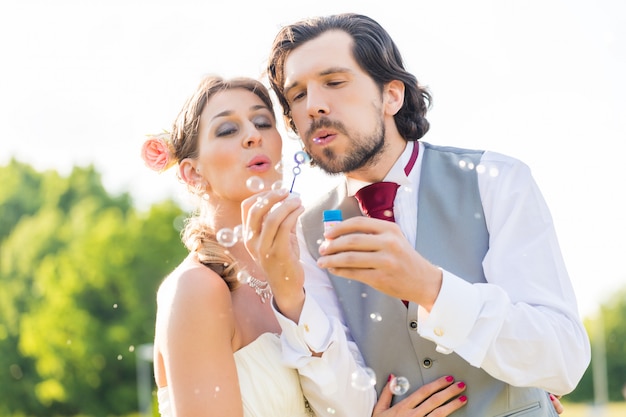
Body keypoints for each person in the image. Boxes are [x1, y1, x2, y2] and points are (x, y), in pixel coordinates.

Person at [262, 12, 588, 416]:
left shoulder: (497, 181)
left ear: (391, 96)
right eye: (297, 95)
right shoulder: (305, 236)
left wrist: (432, 289)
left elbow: (564, 359)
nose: (314, 106)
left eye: (334, 82)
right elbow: (338, 395)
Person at [144, 75, 469, 417]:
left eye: (262, 122)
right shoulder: (197, 289)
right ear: (192, 173)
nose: (254, 136)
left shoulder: (308, 269)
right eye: (227, 130)